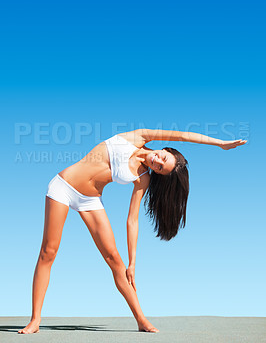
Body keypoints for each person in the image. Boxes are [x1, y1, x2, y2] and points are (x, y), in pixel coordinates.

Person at [18, 128, 247, 334]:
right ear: (165, 149)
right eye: (162, 157)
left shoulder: (142, 177)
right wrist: (219, 143)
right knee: (49, 251)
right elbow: (185, 135)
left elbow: (132, 220)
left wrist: (133, 262)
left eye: (159, 168)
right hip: (64, 187)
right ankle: (35, 320)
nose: (156, 162)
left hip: (90, 200)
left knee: (115, 260)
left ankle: (141, 320)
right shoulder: (138, 137)